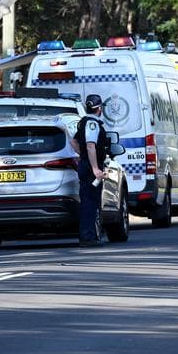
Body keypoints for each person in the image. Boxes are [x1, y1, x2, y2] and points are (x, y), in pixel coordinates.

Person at [73, 94, 108, 247]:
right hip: (90, 168)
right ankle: (87, 237)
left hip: (86, 165)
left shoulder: (84, 122)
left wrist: (82, 156)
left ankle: (89, 235)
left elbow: (73, 141)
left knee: (90, 202)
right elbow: (90, 145)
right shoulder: (92, 124)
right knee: (89, 203)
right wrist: (95, 168)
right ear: (99, 108)